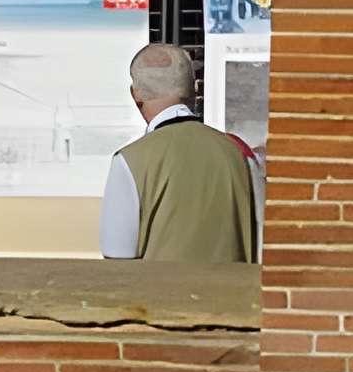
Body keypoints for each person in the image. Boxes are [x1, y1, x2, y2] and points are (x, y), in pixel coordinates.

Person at [100, 42, 260, 262]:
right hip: (236, 294)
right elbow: (261, 243)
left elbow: (117, 254)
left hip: (161, 294)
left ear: (135, 95)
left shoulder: (129, 160)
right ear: (195, 88)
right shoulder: (239, 154)